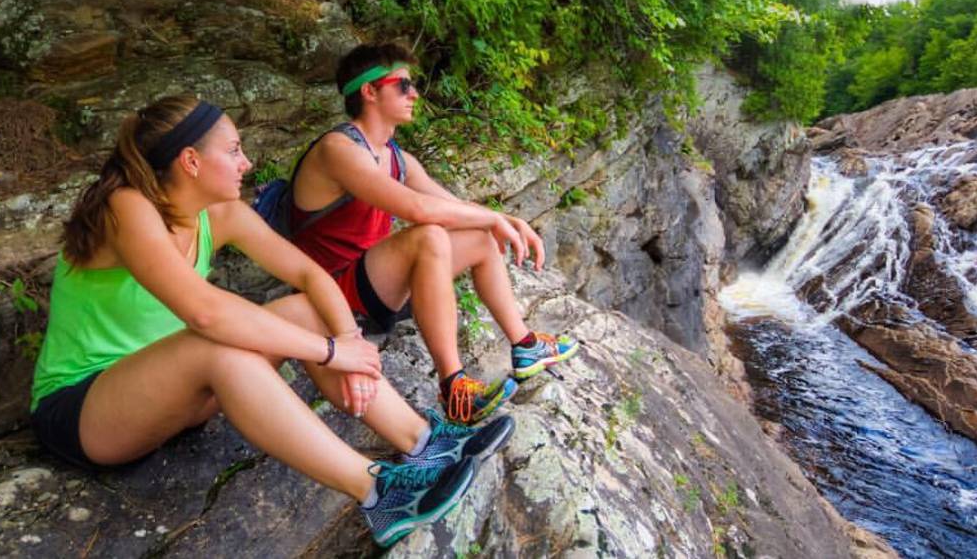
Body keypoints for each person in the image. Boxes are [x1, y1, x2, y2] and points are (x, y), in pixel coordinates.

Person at [28, 95, 514, 548]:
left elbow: (309, 273)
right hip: (87, 410)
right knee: (214, 342)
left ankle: (424, 444)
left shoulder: (218, 214)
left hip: (173, 394)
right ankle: (379, 494)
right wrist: (327, 352)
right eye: (234, 150)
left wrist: (347, 338)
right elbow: (205, 311)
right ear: (190, 161)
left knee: (305, 309)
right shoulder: (127, 206)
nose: (247, 163)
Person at [286, 43, 578, 425]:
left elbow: (455, 208)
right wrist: (493, 218)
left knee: (479, 236)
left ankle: (524, 345)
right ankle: (454, 388)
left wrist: (503, 220)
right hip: (333, 295)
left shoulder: (397, 158)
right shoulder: (337, 149)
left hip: (372, 285)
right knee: (429, 235)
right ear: (369, 91)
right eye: (403, 85)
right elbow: (417, 210)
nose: (415, 94)